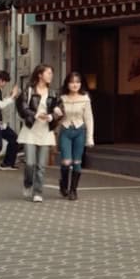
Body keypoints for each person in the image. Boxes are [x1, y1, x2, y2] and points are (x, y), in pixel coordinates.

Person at [16, 64, 63, 202]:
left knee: (41, 166)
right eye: (48, 73)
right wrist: (36, 114)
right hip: (30, 130)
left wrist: (51, 117)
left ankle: (38, 192)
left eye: (51, 73)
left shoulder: (53, 93)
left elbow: (60, 109)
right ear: (40, 75)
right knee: (30, 163)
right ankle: (28, 183)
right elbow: (22, 108)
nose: (51, 76)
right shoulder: (28, 91)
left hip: (45, 131)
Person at [57, 72, 95, 201]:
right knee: (66, 161)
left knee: (77, 162)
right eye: (72, 82)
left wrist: (90, 138)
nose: (75, 85)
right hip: (65, 131)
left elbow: (89, 119)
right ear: (67, 84)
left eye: (77, 82)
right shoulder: (62, 98)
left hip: (80, 131)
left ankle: (73, 190)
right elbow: (56, 117)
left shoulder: (85, 98)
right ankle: (63, 184)